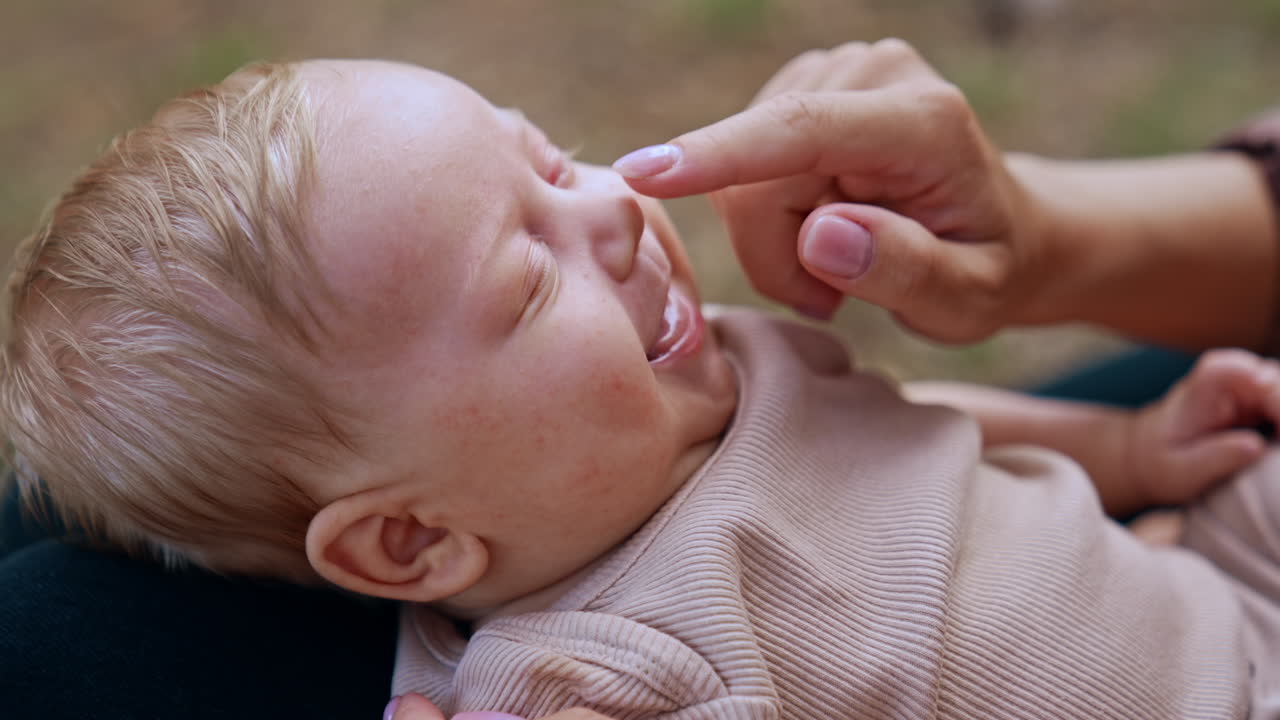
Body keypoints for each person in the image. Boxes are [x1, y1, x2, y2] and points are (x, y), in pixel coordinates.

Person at [6, 56, 1280, 720]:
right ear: (412, 538)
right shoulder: (595, 671)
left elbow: (912, 430)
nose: (613, 207)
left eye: (551, 163)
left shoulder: (707, 373)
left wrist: (1128, 449)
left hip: (1229, 596)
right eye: (524, 283)